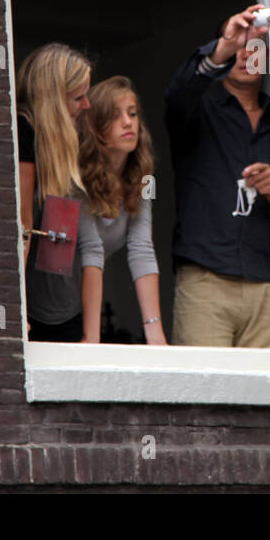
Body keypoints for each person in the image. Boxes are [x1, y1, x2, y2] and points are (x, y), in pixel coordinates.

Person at [165, 3, 270, 347]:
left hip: (268, 283)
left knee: (266, 400)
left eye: (254, 47)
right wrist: (223, 46)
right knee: (204, 396)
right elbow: (177, 94)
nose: (245, 54)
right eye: (238, 48)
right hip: (206, 280)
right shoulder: (197, 111)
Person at [15, 42, 103, 342]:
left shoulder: (62, 141)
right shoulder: (24, 131)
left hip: (59, 307)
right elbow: (22, 226)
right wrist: (16, 309)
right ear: (53, 99)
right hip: (31, 311)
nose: (87, 105)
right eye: (78, 97)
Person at [78, 76, 167, 345]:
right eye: (115, 116)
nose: (128, 123)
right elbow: (90, 249)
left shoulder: (143, 178)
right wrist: (92, 338)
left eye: (132, 114)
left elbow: (142, 248)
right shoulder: (78, 176)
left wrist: (156, 336)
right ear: (95, 125)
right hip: (56, 301)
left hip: (80, 301)